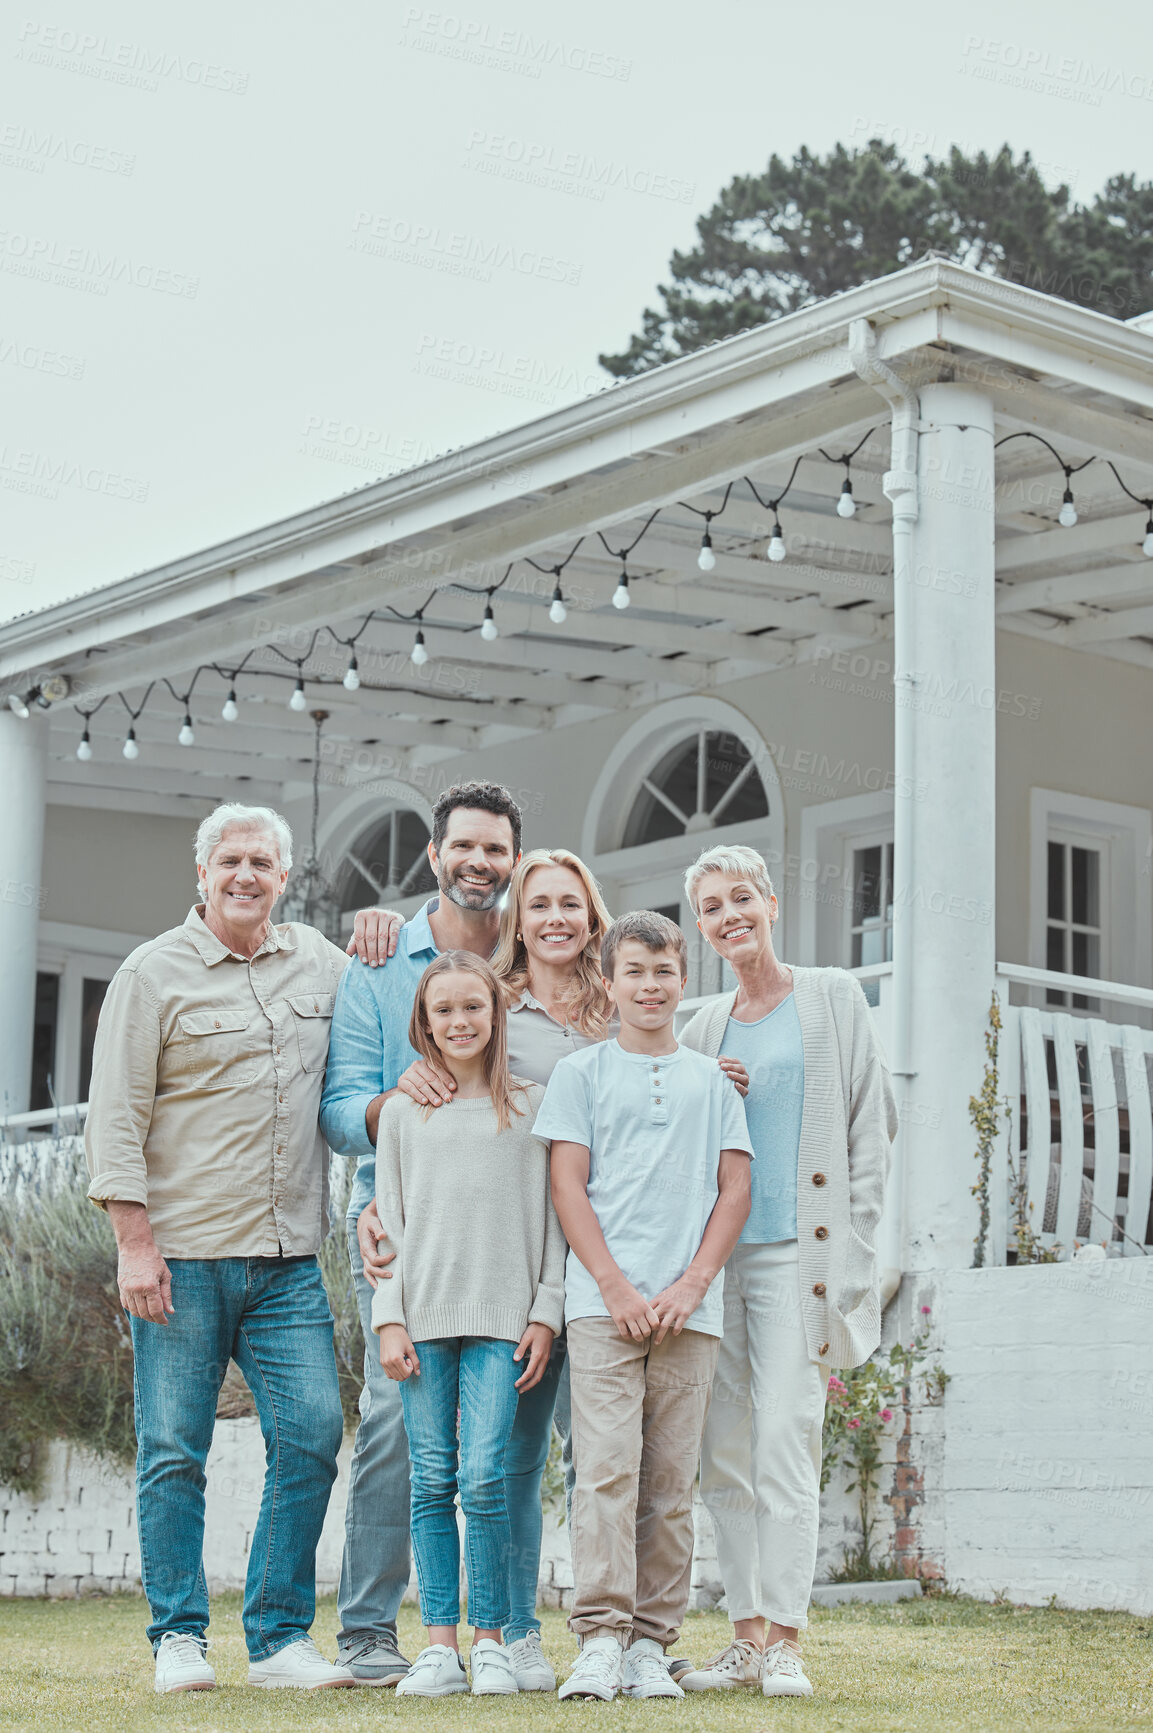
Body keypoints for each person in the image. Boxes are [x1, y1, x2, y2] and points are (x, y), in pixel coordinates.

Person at [356, 849, 750, 1690]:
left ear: (593, 916)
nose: (556, 917)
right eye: (540, 904)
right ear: (518, 917)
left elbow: (677, 1083)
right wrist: (377, 1207)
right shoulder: (496, 1002)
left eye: (571, 902)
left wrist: (712, 1073)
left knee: (597, 1465)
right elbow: (422, 1141)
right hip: (535, 1280)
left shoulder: (625, 998)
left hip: (573, 1277)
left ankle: (627, 1635)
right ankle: (511, 1632)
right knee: (509, 1460)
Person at [83, 802, 392, 1694]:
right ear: (203, 873)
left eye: (262, 860)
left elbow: (402, 1000)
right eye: (231, 861)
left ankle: (277, 1637)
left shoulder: (321, 964)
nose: (246, 874)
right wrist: (133, 1245)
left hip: (288, 1260)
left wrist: (387, 925)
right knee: (174, 1449)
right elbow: (116, 1119)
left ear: (284, 877)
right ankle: (179, 1636)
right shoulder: (152, 973)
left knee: (312, 1435)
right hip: (181, 1258)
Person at [674, 843, 897, 1699]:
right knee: (721, 1452)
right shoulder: (700, 1027)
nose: (728, 916)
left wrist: (855, 1263)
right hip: (714, 1263)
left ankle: (787, 1639)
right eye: (711, 907)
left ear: (769, 901)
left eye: (741, 898)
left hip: (795, 1265)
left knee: (783, 1442)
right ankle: (741, 1635)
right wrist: (708, 1088)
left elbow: (869, 1138)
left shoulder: (832, 997)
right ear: (699, 926)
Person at [318, 781, 522, 1686]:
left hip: (509, 1238)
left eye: (496, 850)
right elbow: (335, 1106)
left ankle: (505, 1631)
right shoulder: (377, 960)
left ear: (512, 860)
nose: (479, 863)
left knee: (501, 1446)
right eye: (463, 847)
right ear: (434, 855)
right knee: (397, 1423)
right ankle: (369, 1626)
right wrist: (394, 1108)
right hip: (396, 1229)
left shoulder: (537, 949)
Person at [538, 909, 753, 1703]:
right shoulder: (582, 1074)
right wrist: (617, 1287)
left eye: (663, 971)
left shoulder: (709, 1079)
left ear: (684, 980)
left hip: (688, 1313)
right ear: (609, 980)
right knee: (602, 1471)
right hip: (603, 1307)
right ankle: (599, 1635)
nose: (650, 985)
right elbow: (568, 1184)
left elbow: (734, 1187)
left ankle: (650, 1644)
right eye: (634, 970)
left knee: (669, 1482)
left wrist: (691, 1283)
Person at [372, 952, 566, 1696]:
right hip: (420, 1319)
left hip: (502, 1321)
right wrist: (388, 1319)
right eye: (443, 1010)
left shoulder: (531, 1105)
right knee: (430, 1478)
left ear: (496, 1014)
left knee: (484, 1475)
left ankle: (490, 1640)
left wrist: (545, 1311)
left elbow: (554, 1222)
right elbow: (388, 1223)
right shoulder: (400, 1112)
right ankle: (437, 1647)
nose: (459, 1022)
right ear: (425, 1020)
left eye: (472, 1008)